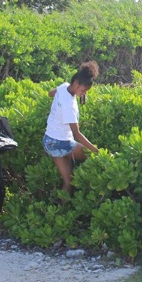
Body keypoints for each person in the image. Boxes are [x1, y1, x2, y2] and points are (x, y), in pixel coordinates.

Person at [43, 61, 100, 194]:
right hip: (61, 143)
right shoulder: (69, 106)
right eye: (83, 90)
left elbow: (50, 93)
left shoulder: (64, 86)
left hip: (48, 141)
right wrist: (96, 150)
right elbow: (77, 134)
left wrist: (78, 94)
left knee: (68, 182)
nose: (84, 93)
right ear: (76, 84)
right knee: (92, 156)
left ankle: (60, 209)